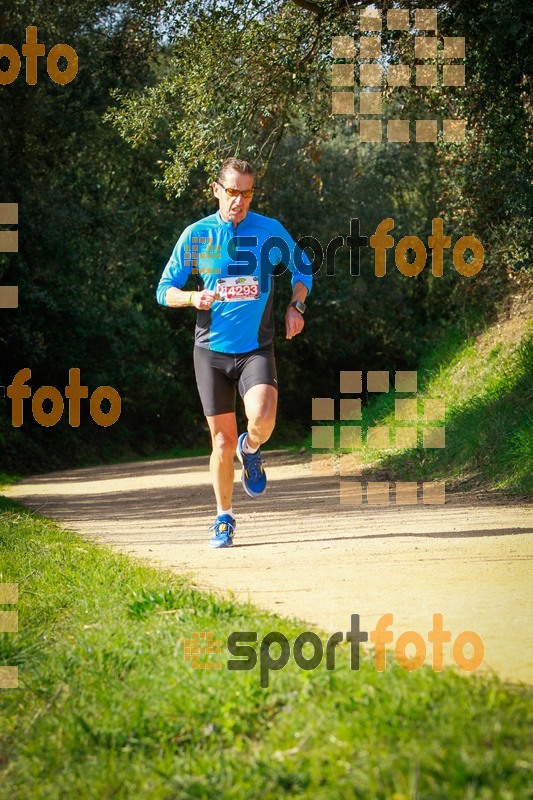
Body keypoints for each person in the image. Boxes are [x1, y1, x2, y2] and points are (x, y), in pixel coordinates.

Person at [156, 158, 312, 548]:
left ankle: (252, 448)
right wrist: (193, 297)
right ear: (216, 190)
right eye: (232, 192)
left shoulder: (270, 231)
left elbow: (303, 269)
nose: (239, 201)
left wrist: (297, 306)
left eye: (246, 193)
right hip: (210, 351)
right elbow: (164, 289)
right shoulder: (196, 235)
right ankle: (223, 517)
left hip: (256, 347)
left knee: (262, 419)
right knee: (220, 443)